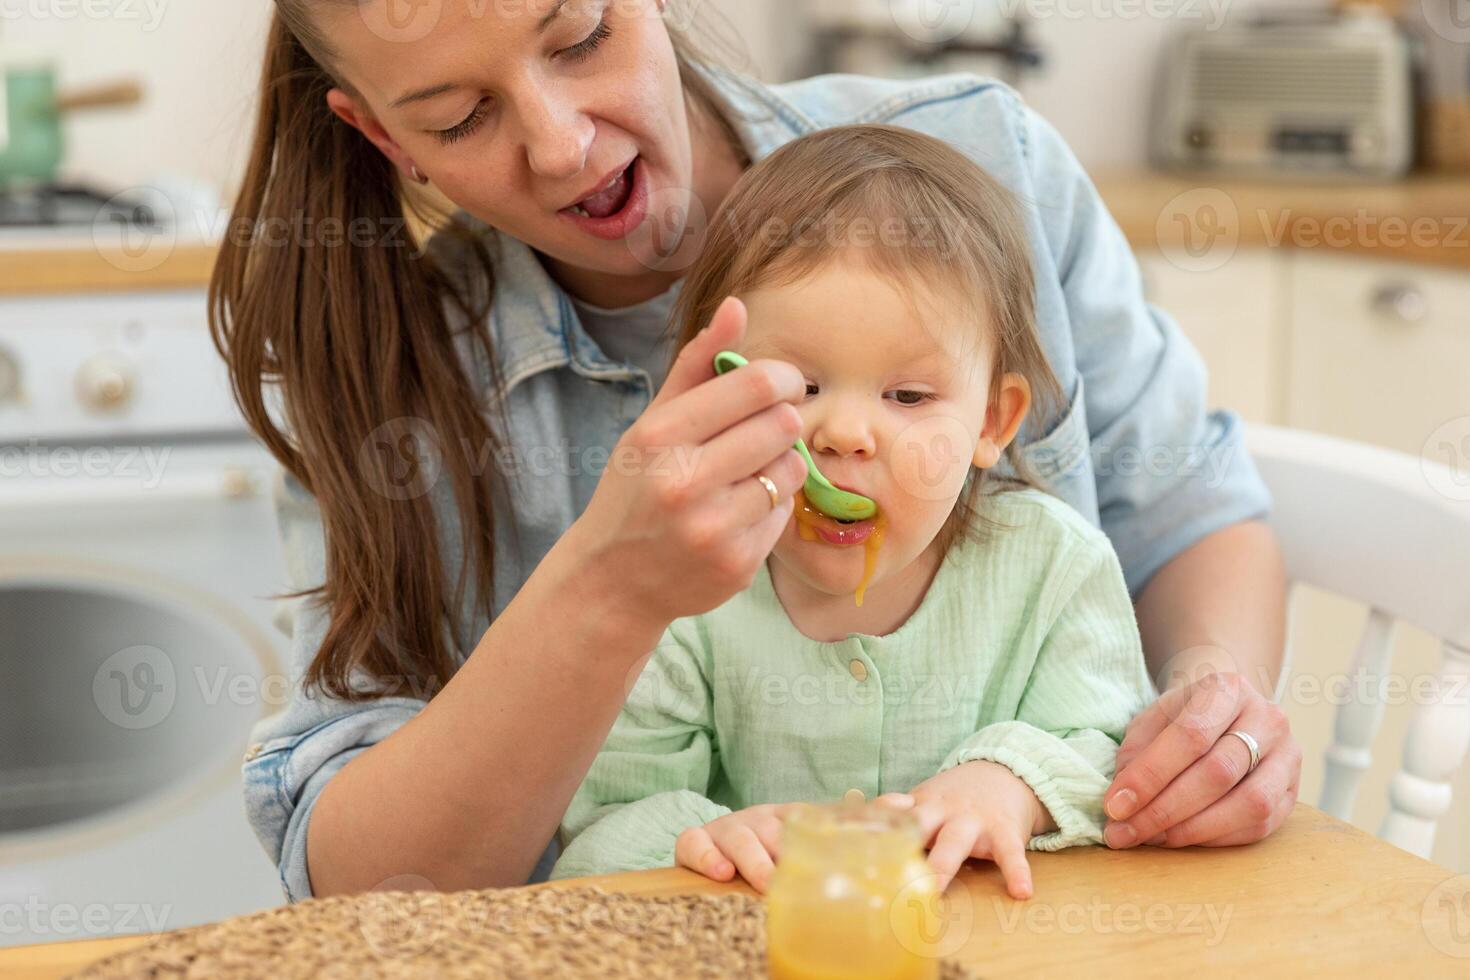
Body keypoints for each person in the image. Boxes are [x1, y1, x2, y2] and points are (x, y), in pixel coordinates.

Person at [221, 0, 1297, 903]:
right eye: (459, 117)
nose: (561, 146)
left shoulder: (981, 159)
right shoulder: (378, 367)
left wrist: (1213, 713)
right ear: (383, 138)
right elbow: (364, 891)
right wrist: (609, 586)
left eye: (582, 35)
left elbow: (1190, 512)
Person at [554, 124, 1156, 901]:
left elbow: (1117, 747)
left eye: (907, 396)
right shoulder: (682, 593)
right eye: (799, 386)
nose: (842, 434)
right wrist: (695, 837)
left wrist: (1010, 782)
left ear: (991, 423)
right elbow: (601, 827)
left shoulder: (1054, 565)